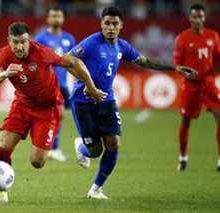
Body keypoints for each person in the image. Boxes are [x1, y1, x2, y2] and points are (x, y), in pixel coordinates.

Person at [69, 6, 196, 199]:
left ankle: (96, 189)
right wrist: (88, 85)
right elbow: (68, 59)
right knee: (95, 151)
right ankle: (81, 147)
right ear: (101, 25)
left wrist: (175, 67)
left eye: (114, 24)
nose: (110, 27)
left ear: (121, 26)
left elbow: (145, 62)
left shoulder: (123, 46)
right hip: (82, 101)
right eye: (107, 23)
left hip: (106, 100)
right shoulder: (92, 43)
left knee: (114, 143)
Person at [0, 22, 107, 203]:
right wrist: (5, 74)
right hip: (22, 105)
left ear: (29, 39)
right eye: (15, 42)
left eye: (23, 41)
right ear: (9, 41)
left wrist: (91, 87)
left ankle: (80, 145)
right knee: (4, 144)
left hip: (48, 109)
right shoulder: (3, 55)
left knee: (37, 162)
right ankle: (0, 194)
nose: (20, 46)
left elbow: (74, 62)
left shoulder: (41, 52)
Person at [173, 4, 220, 172]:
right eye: (195, 17)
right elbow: (177, 65)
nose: (198, 20)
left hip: (209, 84)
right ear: (190, 18)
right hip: (191, 87)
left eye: (201, 16)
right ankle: (183, 157)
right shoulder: (182, 38)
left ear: (204, 18)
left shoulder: (213, 36)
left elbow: (218, 59)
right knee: (186, 121)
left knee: (219, 116)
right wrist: (185, 72)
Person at [34, 7, 76, 162]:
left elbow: (73, 62)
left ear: (63, 18)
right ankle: (53, 149)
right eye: (53, 16)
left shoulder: (69, 38)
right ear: (48, 19)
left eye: (59, 15)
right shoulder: (41, 39)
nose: (56, 18)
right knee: (58, 114)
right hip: (48, 83)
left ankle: (50, 147)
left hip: (63, 83)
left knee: (59, 115)